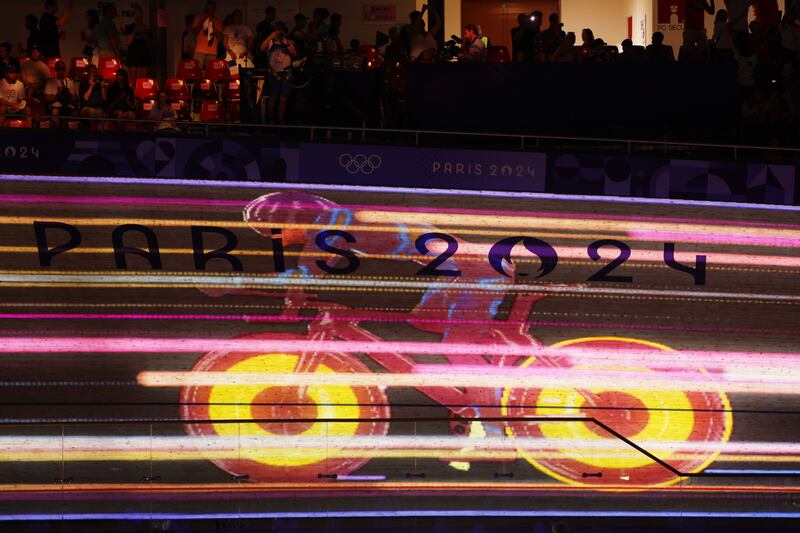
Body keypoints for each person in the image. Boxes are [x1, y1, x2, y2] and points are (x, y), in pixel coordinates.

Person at [261, 23, 297, 124]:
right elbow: (262, 48)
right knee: (273, 97)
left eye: (281, 31)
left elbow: (294, 53)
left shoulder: (288, 41)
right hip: (274, 73)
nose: (279, 33)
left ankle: (281, 120)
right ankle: (270, 120)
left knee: (283, 98)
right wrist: (270, 37)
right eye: (278, 31)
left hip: (286, 73)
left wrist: (287, 43)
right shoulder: (271, 41)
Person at [123, 4, 152, 84]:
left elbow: (151, 43)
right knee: (132, 80)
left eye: (138, 12)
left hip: (144, 54)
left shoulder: (146, 28)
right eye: (135, 13)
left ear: (142, 14)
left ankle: (141, 95)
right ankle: (132, 95)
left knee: (143, 80)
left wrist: (144, 36)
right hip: (133, 54)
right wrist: (134, 32)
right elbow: (128, 41)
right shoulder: (130, 27)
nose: (137, 15)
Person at [43, 59, 77, 126]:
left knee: (75, 113)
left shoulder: (69, 82)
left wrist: (69, 94)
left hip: (67, 105)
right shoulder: (51, 82)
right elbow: (46, 100)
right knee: (55, 111)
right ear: (56, 70)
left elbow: (74, 101)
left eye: (62, 69)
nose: (61, 71)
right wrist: (57, 95)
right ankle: (57, 132)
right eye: (59, 69)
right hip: (55, 107)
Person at [192, 0, 223, 68]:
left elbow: (219, 36)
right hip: (199, 51)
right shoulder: (198, 18)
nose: (209, 10)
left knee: (211, 74)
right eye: (208, 8)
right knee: (197, 72)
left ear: (214, 9)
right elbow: (194, 32)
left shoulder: (218, 20)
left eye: (211, 8)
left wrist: (212, 24)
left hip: (212, 52)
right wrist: (202, 20)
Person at [222, 9, 253, 75]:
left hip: (242, 52)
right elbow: (224, 42)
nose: (238, 17)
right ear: (233, 17)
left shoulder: (246, 28)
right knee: (232, 72)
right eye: (236, 15)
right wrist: (231, 52)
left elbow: (250, 42)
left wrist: (245, 52)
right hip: (231, 52)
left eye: (239, 15)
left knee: (244, 72)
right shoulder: (228, 28)